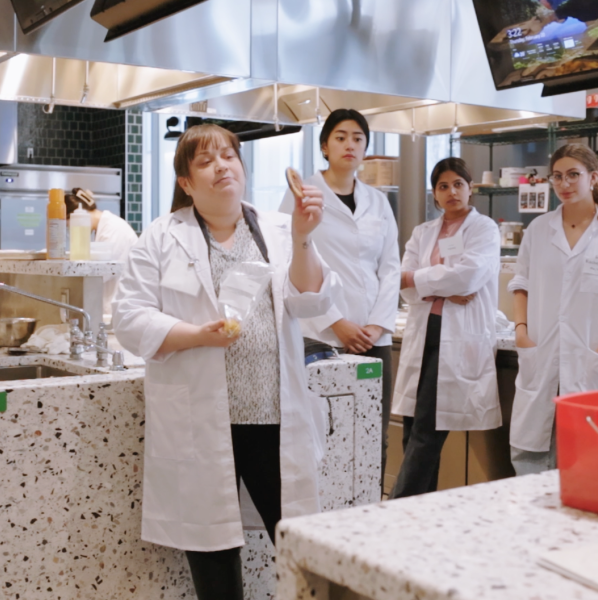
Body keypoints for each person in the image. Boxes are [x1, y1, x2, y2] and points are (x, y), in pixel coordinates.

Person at [113, 124, 334, 599]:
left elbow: (310, 301)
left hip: (272, 418)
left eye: (230, 156)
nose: (222, 167)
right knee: (213, 552)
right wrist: (195, 336)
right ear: (187, 183)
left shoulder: (278, 229)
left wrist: (303, 238)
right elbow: (129, 318)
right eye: (206, 161)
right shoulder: (160, 237)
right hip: (200, 422)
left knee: (300, 542)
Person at [278, 108, 400, 487]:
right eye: (341, 137)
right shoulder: (301, 196)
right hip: (321, 337)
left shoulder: (377, 202)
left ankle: (368, 517)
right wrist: (336, 322)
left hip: (372, 338)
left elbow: (390, 266)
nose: (351, 144)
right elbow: (289, 261)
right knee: (323, 434)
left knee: (372, 435)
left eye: (358, 138)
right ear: (324, 146)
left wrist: (377, 324)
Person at [508, 143, 598, 475]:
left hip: (591, 360)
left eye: (573, 175)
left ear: (593, 178)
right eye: (557, 177)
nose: (564, 184)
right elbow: (520, 285)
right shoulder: (539, 229)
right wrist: (521, 332)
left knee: (588, 463)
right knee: (529, 459)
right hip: (540, 353)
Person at [392, 158, 501, 498]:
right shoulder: (423, 232)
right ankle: (421, 512)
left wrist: (422, 281)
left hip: (459, 337)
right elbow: (403, 282)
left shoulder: (484, 229)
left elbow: (468, 277)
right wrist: (441, 286)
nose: (452, 192)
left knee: (425, 430)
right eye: (443, 186)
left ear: (470, 188)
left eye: (458, 184)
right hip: (425, 331)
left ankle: (397, 511)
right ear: (435, 194)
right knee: (413, 429)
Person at [64, 187, 139, 317]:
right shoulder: (103, 228)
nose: (71, 229)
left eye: (68, 224)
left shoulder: (113, 229)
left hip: (120, 308)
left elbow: (101, 272)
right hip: (111, 307)